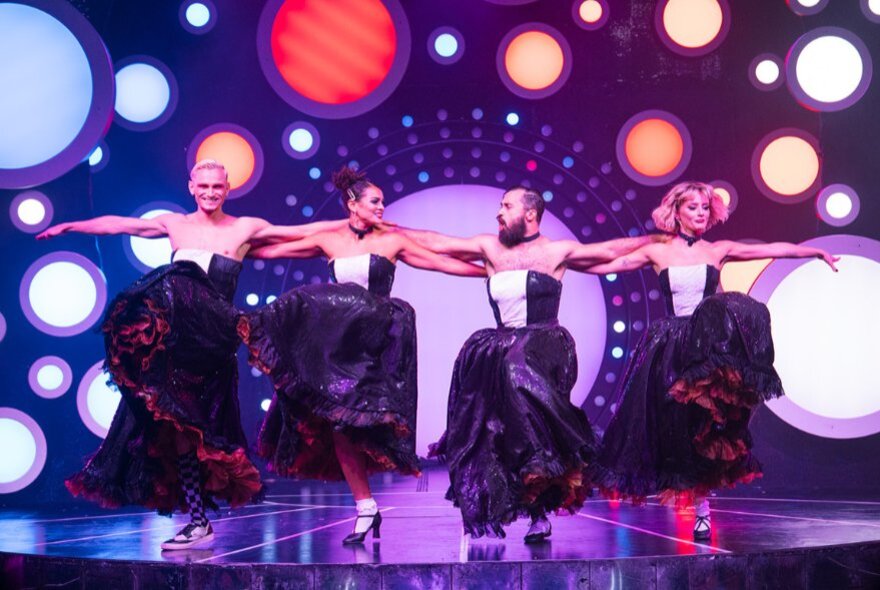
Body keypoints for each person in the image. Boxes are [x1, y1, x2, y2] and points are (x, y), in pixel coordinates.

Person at [37, 159, 341, 550]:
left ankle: (200, 518)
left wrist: (350, 228)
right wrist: (70, 226)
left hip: (213, 343)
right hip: (177, 343)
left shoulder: (244, 227)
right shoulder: (174, 224)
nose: (210, 192)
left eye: (217, 186)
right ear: (192, 187)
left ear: (227, 189)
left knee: (201, 427)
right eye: (204, 186)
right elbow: (119, 224)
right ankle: (198, 523)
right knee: (179, 427)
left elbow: (302, 232)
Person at [239, 166, 486, 545]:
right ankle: (366, 508)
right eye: (375, 201)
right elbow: (273, 249)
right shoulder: (329, 238)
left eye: (383, 201)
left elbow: (439, 261)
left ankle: (370, 503)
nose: (382, 207)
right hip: (338, 347)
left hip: (374, 345)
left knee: (364, 426)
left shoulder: (392, 240)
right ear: (352, 204)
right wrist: (232, 249)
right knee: (339, 426)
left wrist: (489, 272)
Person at [578, 181, 838, 540]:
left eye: (705, 207)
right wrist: (558, 264)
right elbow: (607, 263)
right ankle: (680, 491)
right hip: (669, 345)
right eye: (693, 207)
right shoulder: (658, 251)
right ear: (676, 212)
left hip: (706, 347)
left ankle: (702, 507)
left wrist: (814, 252)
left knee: (702, 425)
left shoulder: (718, 250)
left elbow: (771, 249)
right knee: (668, 422)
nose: (700, 213)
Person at [400, 186, 657, 542]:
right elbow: (438, 242)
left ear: (530, 213)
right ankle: (535, 514)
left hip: (544, 345)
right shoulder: (490, 247)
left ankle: (562, 471)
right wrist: (388, 231)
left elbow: (611, 251)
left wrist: (658, 240)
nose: (499, 212)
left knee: (518, 376)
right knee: (501, 427)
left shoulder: (556, 251)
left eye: (506, 206)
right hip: (502, 347)